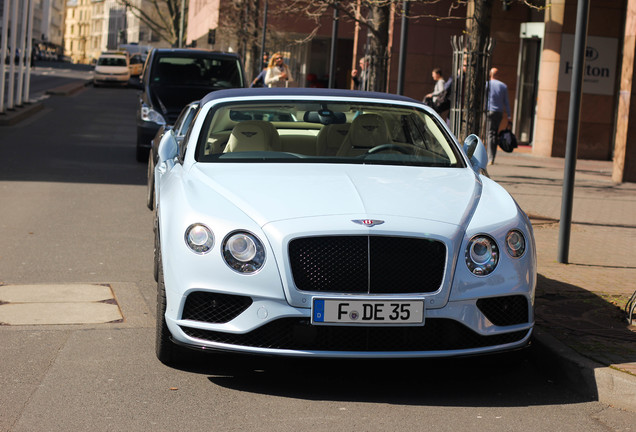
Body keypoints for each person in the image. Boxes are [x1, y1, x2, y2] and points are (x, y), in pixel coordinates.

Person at [486, 67, 511, 165]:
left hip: (489, 110)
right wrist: (509, 115)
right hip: (499, 112)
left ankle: (489, 157)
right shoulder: (503, 86)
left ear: (490, 74)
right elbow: (506, 102)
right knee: (494, 134)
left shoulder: (487, 84)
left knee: (489, 134)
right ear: (498, 75)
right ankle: (492, 157)